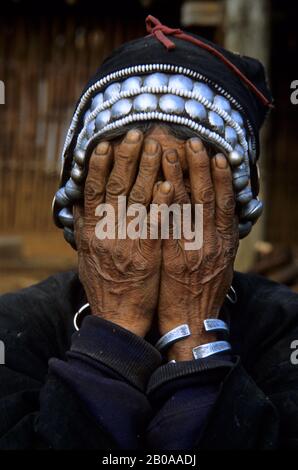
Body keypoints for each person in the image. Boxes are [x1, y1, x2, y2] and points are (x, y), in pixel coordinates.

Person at [0, 16, 298, 450]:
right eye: (127, 205)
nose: (153, 228)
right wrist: (113, 331)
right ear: (78, 215)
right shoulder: (17, 328)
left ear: (232, 223)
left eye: (188, 204)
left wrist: (195, 332)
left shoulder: (284, 328)